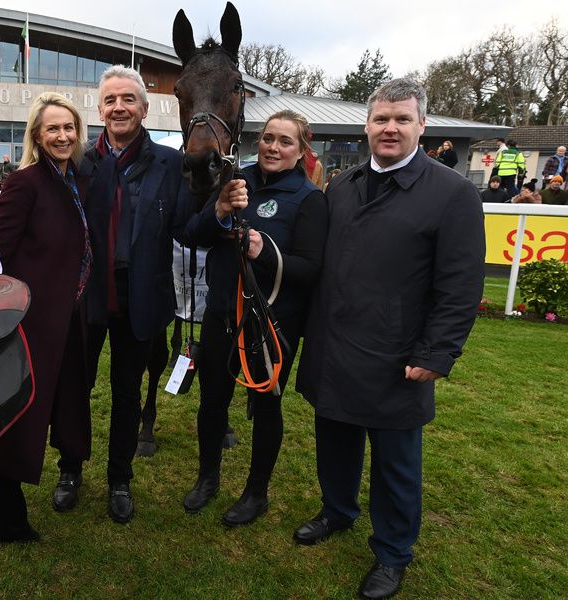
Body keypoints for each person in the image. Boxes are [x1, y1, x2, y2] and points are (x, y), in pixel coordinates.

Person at [293, 79, 484, 600]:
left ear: (422, 125)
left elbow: (460, 285)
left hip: (397, 352)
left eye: (402, 119)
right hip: (336, 344)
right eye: (381, 119)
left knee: (395, 462)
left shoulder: (453, 194)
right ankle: (338, 510)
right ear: (367, 126)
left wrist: (437, 352)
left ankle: (393, 551)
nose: (390, 128)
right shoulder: (343, 185)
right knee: (335, 439)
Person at [51, 65, 191, 524]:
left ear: (145, 109)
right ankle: (70, 469)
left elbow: (186, 227)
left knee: (127, 392)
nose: (119, 107)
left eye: (128, 99)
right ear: (99, 109)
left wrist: (223, 212)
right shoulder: (78, 161)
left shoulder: (170, 163)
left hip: (140, 295)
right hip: (85, 295)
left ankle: (120, 479)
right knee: (77, 386)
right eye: (110, 100)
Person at [181, 110, 328, 526]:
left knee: (266, 407)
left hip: (271, 325)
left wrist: (265, 252)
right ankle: (207, 479)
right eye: (267, 138)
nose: (273, 147)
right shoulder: (235, 181)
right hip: (222, 315)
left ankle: (256, 493)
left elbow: (310, 269)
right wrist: (219, 210)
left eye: (285, 141)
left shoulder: (309, 199)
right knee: (212, 403)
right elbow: (192, 234)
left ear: (301, 150)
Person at [0, 92, 92, 542]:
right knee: (19, 414)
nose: (63, 136)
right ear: (37, 136)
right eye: (53, 129)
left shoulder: (73, 180)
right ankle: (1, 518)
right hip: (29, 320)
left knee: (44, 408)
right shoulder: (26, 182)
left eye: (69, 127)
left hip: (65, 316)